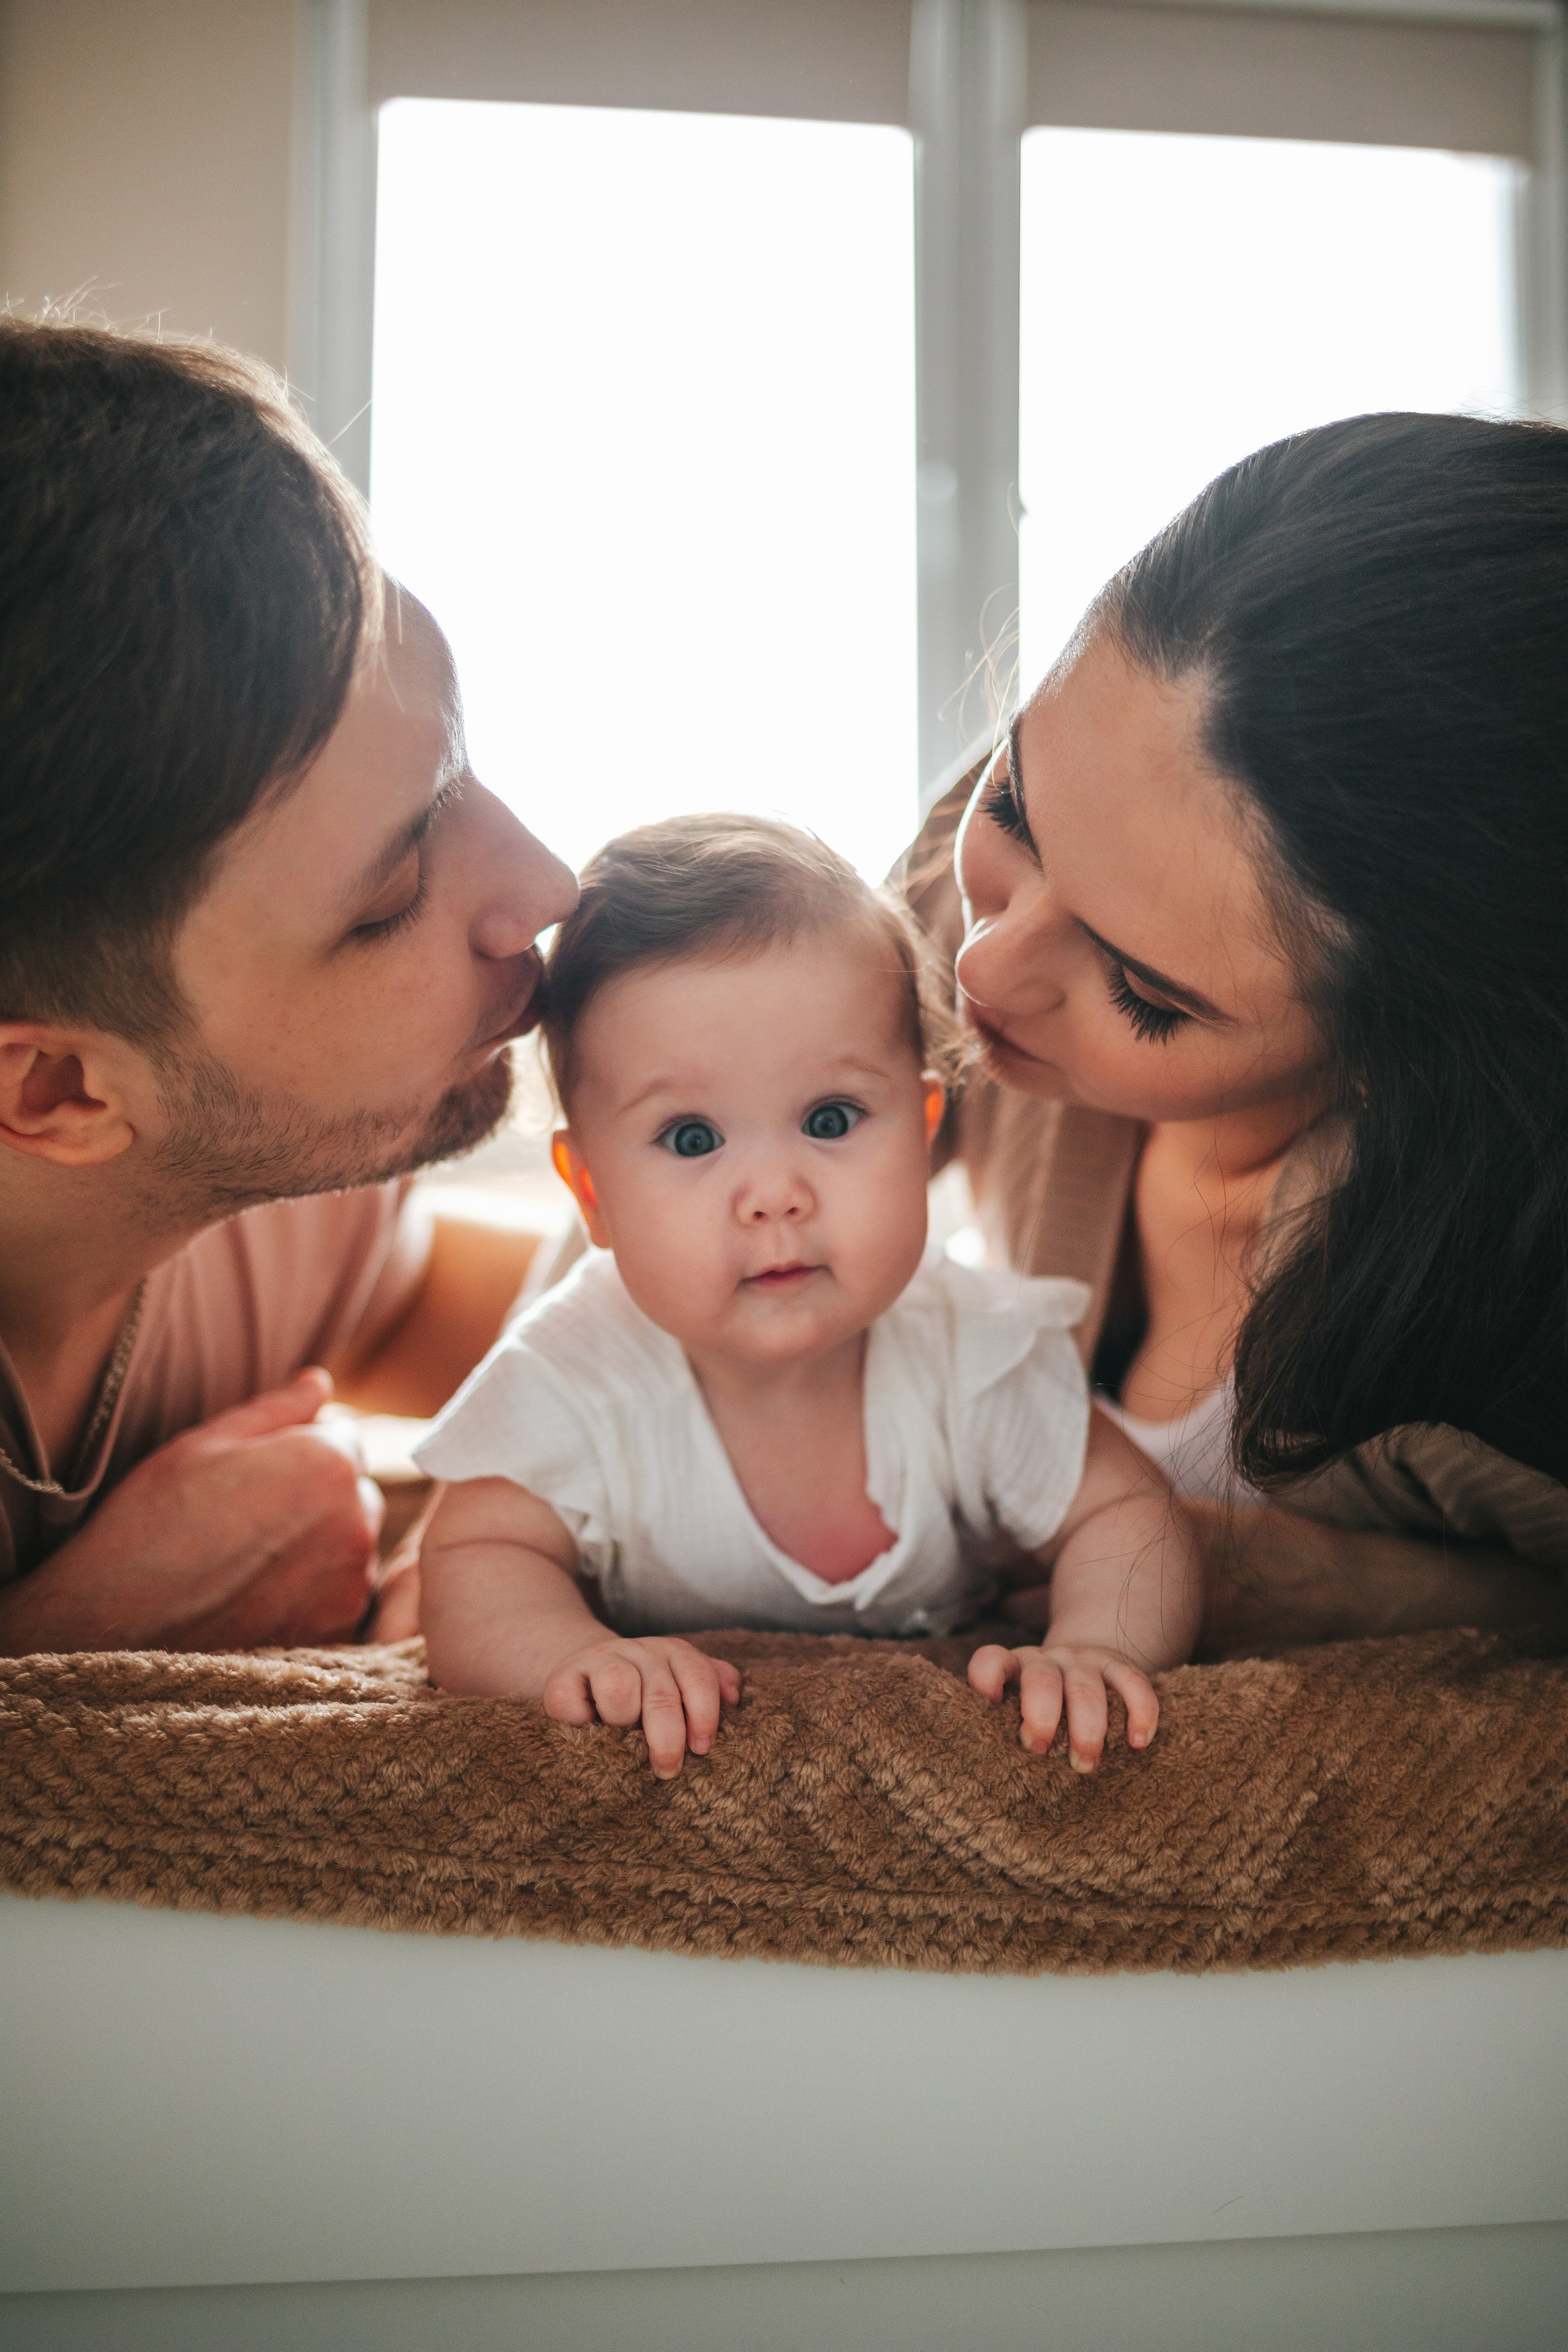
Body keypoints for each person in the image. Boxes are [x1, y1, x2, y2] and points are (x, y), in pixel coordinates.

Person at [904, 412, 1568, 1651]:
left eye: (1144, 994)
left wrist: (1392, 1593)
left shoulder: (1507, 1306)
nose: (987, 960)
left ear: (1402, 1047)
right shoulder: (1036, 836)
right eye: (1010, 805)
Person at [0, 316, 577, 1656]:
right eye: (386, 904)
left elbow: (425, 1300)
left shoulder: (270, 1205)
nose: (544, 885)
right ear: (58, 1088)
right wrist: (72, 1637)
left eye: (460, 771)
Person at [412, 816, 1202, 1776]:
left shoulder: (968, 1350)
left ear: (920, 1131)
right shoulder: (579, 1374)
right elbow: (471, 1561)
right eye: (693, 1139)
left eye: (831, 1119)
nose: (777, 1193)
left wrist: (1096, 1646)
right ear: (592, 1195)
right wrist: (572, 1656)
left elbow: (1128, 1517)